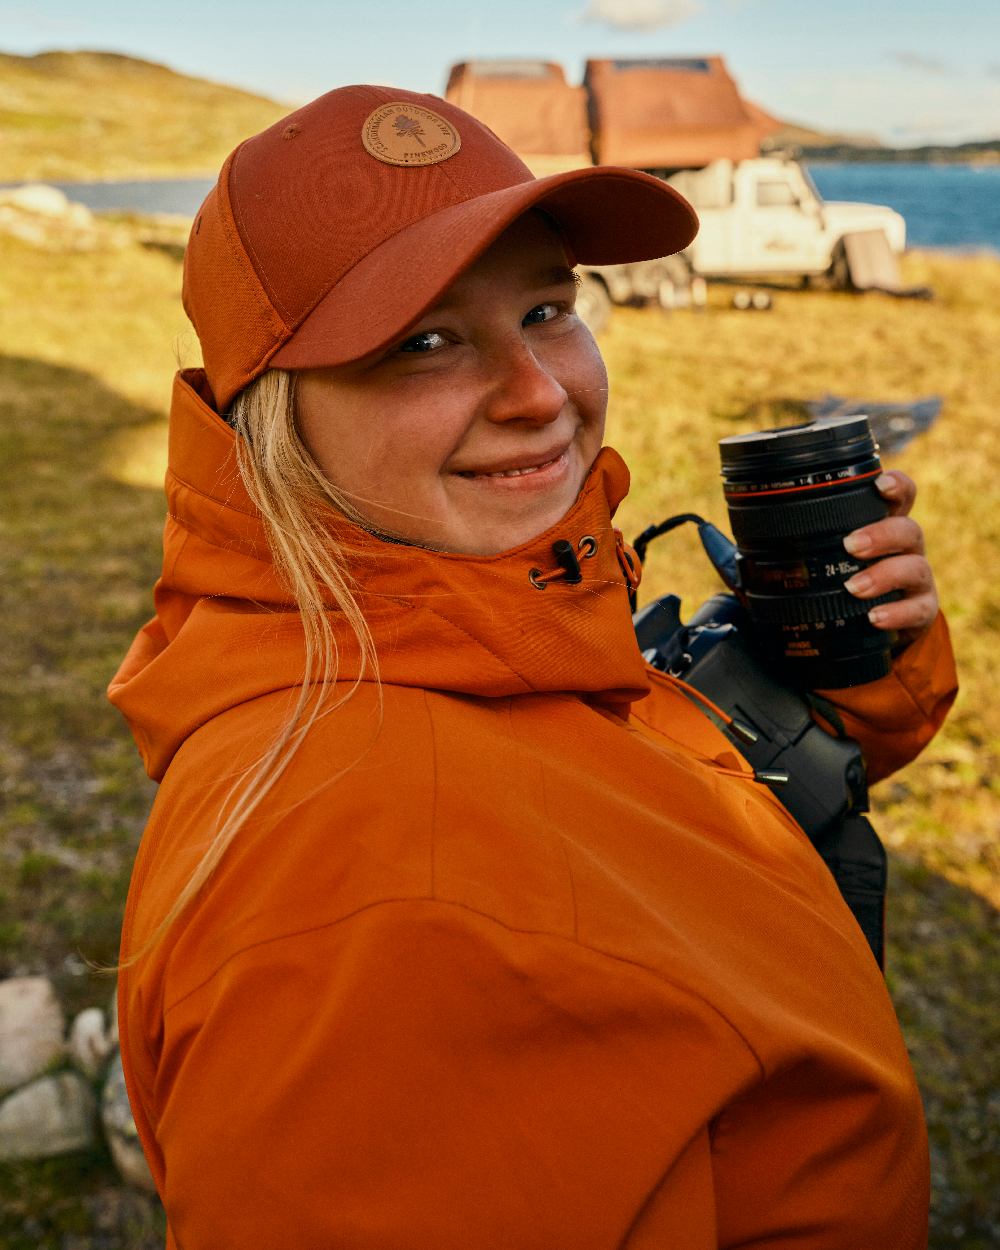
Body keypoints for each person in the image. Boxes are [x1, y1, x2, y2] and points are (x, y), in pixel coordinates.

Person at [110, 85, 957, 1250]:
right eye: (424, 341)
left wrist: (840, 660)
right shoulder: (369, 894)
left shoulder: (459, 619)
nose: (542, 393)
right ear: (271, 414)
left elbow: (626, 822)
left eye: (549, 308)